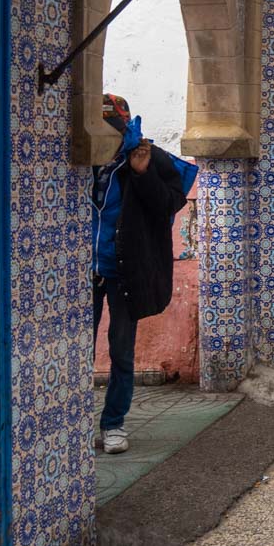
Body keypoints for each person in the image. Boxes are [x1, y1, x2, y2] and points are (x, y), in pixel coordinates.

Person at [90, 94, 187, 454]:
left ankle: (113, 424)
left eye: (114, 130)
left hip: (123, 272)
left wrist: (143, 173)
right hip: (83, 270)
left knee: (121, 352)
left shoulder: (148, 157)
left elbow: (168, 205)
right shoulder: (84, 160)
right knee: (73, 350)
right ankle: (71, 424)